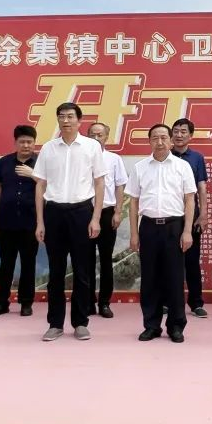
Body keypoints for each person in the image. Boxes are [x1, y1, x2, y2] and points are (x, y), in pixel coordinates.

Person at [33, 102, 106, 342]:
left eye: (70, 116)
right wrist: (40, 222)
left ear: (79, 120)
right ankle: (55, 324)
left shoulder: (92, 147)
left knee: (82, 271)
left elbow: (99, 183)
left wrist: (96, 218)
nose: (66, 121)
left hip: (81, 212)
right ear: (58, 120)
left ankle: (80, 322)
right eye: (61, 116)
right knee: (55, 272)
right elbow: (40, 185)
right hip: (54, 212)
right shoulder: (48, 148)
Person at [128, 124, 196, 343]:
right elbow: (133, 202)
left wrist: (187, 231)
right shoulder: (140, 167)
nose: (160, 142)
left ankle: (176, 326)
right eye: (155, 138)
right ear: (149, 141)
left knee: (174, 278)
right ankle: (151, 325)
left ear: (171, 141)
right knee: (149, 278)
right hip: (148, 226)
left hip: (174, 227)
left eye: (164, 137)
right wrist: (134, 233)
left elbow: (189, 199)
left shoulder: (182, 166)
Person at [0, 125, 40, 318]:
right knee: (6, 263)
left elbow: (49, 186)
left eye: (29, 142)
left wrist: (32, 174)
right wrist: (8, 199)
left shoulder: (40, 163)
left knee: (28, 263)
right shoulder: (5, 162)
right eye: (22, 142)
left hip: (31, 220)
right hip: (7, 220)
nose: (26, 145)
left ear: (34, 143)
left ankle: (26, 303)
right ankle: (2, 303)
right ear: (15, 143)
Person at [87, 122, 129, 318]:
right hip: (84, 213)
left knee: (105, 260)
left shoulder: (114, 159)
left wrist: (118, 212)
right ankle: (88, 301)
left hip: (106, 213)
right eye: (92, 135)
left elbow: (120, 186)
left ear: (106, 137)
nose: (96, 138)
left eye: (100, 135)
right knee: (85, 259)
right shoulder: (82, 156)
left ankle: (104, 302)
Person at [170, 118, 209, 318]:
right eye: (176, 131)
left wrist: (203, 214)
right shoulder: (165, 155)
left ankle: (196, 303)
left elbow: (202, 187)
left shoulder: (196, 158)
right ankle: (168, 301)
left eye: (183, 131)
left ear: (190, 135)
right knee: (169, 261)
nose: (179, 135)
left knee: (192, 261)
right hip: (169, 214)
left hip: (191, 214)